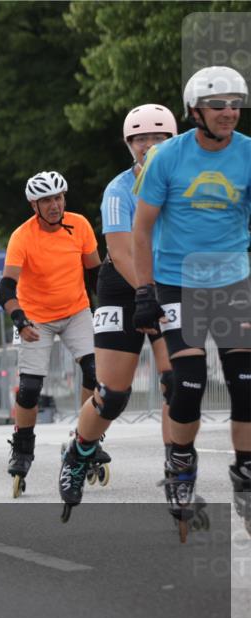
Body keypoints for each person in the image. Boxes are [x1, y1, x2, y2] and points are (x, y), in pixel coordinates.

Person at [132, 66, 250, 540]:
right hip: (178, 283)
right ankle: (180, 463)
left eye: (235, 103)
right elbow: (141, 230)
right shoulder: (168, 158)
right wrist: (144, 293)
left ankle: (245, 471)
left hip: (233, 285)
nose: (229, 112)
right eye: (218, 104)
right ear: (195, 111)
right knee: (190, 381)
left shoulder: (248, 155)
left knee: (246, 385)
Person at [57, 104, 178, 520]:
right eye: (140, 139)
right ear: (129, 146)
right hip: (124, 287)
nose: (149, 145)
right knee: (112, 395)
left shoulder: (189, 185)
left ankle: (177, 468)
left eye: (158, 138)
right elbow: (122, 250)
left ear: (174, 140)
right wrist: (148, 291)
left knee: (176, 384)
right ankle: (79, 451)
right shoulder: (119, 189)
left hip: (169, 286)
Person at [0, 171, 102, 498]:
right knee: (29, 389)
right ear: (34, 205)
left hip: (76, 311)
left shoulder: (80, 225)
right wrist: (19, 318)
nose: (54, 205)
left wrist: (112, 311)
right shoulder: (22, 237)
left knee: (95, 372)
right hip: (35, 317)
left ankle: (88, 438)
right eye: (46, 200)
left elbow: (96, 275)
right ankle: (23, 449)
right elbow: (5, 288)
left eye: (58, 198)